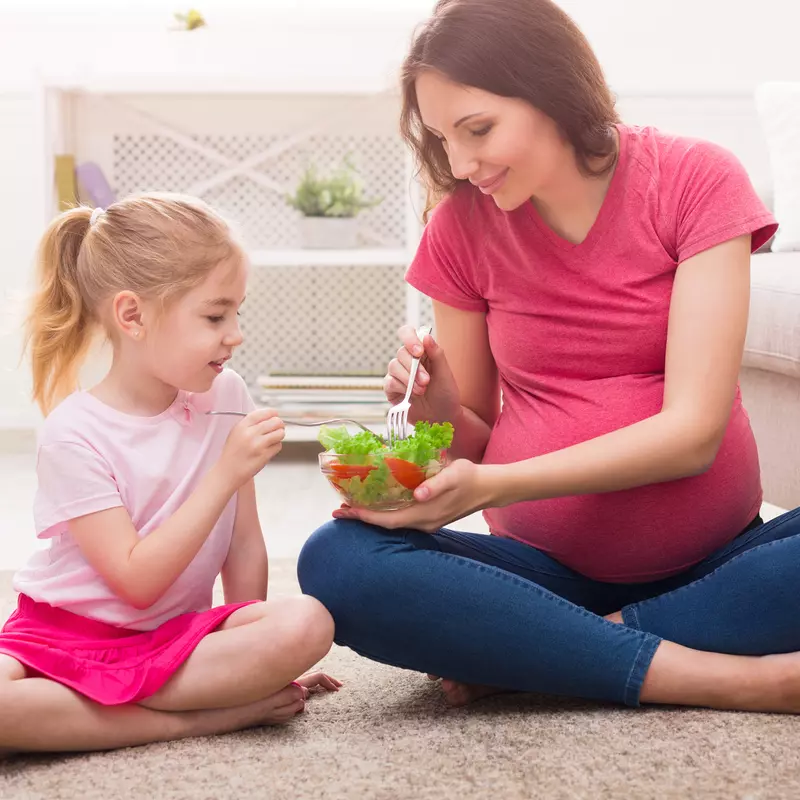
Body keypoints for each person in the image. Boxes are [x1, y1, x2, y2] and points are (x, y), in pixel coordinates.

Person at [297, 0, 800, 713]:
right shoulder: (460, 231)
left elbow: (693, 436)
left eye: (478, 130)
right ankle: (721, 675)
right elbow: (471, 434)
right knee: (335, 562)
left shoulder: (695, 179)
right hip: (536, 574)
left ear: (553, 89)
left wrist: (492, 487)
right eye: (443, 138)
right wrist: (439, 416)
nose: (460, 164)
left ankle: (555, 651)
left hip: (717, 564)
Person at [0, 195, 340, 754]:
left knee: (308, 622)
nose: (235, 334)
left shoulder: (226, 395)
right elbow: (136, 584)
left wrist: (258, 657)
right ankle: (198, 719)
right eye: (214, 316)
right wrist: (224, 473)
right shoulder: (72, 435)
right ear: (132, 316)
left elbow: (243, 539)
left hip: (173, 641)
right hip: (66, 640)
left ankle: (95, 716)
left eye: (238, 313)